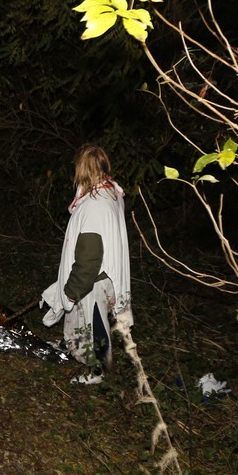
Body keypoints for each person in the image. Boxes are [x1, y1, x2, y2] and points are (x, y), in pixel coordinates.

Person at [40, 143, 133, 384]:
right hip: (101, 276)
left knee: (95, 324)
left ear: (81, 169)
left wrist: (73, 290)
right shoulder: (111, 191)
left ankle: (99, 371)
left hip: (95, 279)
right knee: (80, 319)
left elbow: (90, 257)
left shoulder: (95, 205)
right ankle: (73, 346)